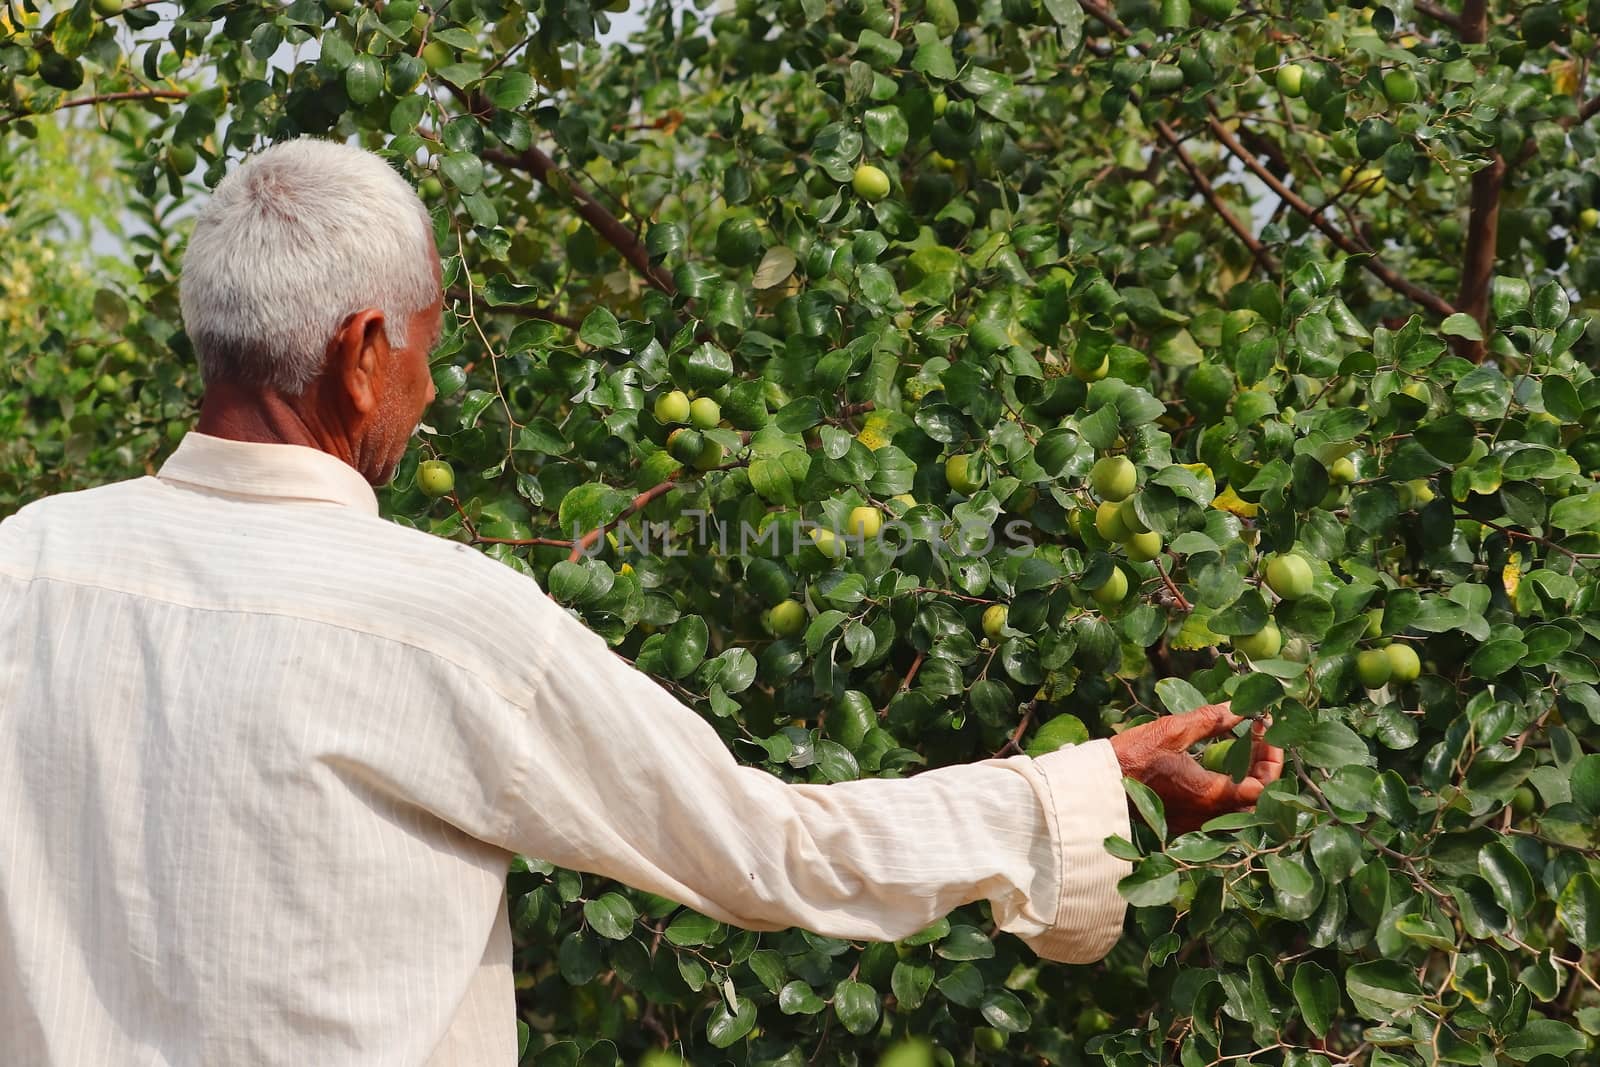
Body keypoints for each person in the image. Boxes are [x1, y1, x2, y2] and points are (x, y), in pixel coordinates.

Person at [0, 139, 1283, 1066]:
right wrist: (1081, 784)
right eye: (429, 352)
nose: (431, 397)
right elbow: (767, 844)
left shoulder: (24, 568)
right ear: (362, 350)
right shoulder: (447, 623)